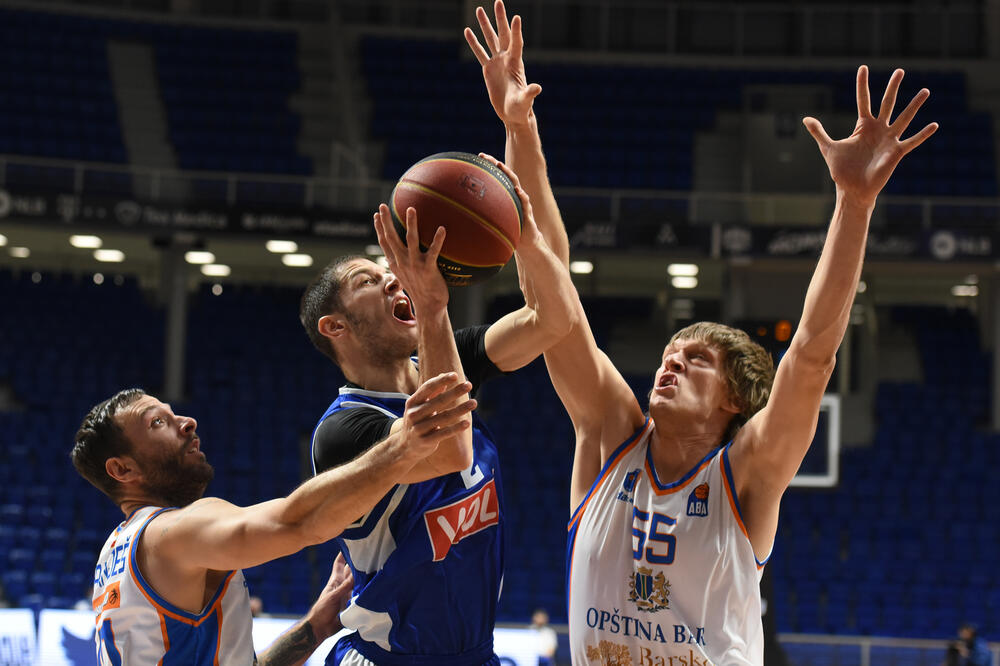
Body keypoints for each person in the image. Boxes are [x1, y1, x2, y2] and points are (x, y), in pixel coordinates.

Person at [467, 4, 938, 663]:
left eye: (696, 362)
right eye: (669, 354)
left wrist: (855, 206)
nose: (671, 364)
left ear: (733, 403)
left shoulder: (748, 475)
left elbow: (811, 354)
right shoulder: (608, 434)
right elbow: (554, 296)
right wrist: (519, 125)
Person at [298, 158, 577, 665]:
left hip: (473, 654)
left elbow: (554, 319)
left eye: (392, 273)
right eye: (368, 280)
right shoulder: (344, 431)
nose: (393, 280)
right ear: (335, 327)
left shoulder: (446, 359)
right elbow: (451, 449)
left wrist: (526, 236)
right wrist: (431, 307)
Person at [72, 376, 476, 665]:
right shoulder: (173, 531)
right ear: (122, 470)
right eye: (157, 422)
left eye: (172, 412)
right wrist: (400, 447)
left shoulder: (116, 551)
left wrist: (316, 626)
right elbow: (299, 523)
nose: (186, 422)